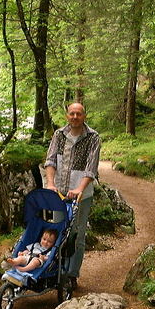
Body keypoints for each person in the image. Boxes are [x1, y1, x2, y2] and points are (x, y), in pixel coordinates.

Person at [44, 102, 101, 289]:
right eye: (72, 114)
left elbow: (90, 168)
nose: (75, 117)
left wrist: (80, 189)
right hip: (58, 193)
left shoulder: (93, 137)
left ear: (84, 116)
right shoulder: (59, 135)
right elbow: (51, 160)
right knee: (56, 231)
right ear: (67, 115)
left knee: (77, 235)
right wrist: (50, 184)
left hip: (81, 196)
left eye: (78, 114)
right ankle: (54, 269)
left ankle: (71, 274)